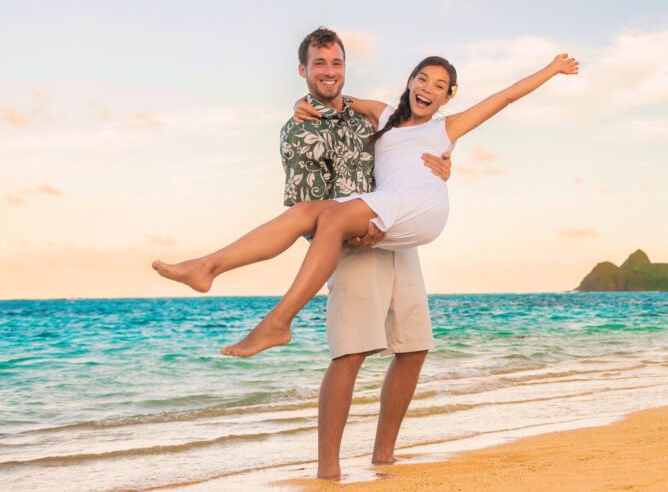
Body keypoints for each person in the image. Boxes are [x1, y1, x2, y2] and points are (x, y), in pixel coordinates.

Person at [154, 27, 450, 475]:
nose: (329, 72)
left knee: (413, 347)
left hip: (394, 230)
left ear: (345, 68)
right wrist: (349, 235)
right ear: (303, 70)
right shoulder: (297, 131)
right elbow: (304, 207)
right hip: (350, 243)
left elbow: (410, 147)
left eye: (336, 64)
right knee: (350, 352)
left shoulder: (370, 119)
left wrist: (443, 163)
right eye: (319, 64)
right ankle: (327, 470)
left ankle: (384, 453)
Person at [155, 50, 578, 360]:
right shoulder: (383, 114)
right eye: (423, 79)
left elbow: (505, 97)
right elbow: (334, 99)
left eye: (439, 86)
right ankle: (208, 267)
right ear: (410, 81)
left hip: (421, 205)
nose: (428, 89)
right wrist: (300, 105)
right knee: (308, 211)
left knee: (333, 218)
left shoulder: (446, 127)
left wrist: (553, 69)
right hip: (385, 201)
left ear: (448, 97)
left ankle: (279, 322)